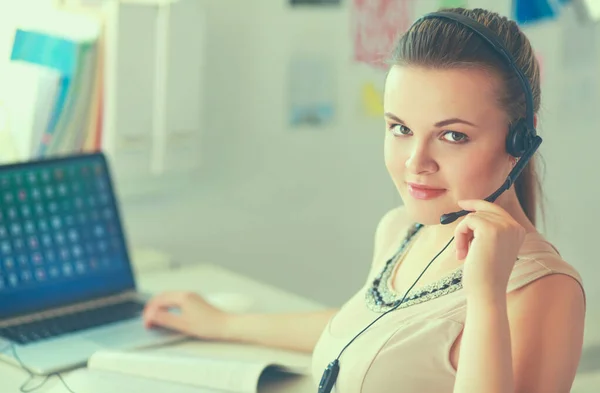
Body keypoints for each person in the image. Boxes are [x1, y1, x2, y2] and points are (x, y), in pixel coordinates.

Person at [142, 7, 586, 393]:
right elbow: (375, 331)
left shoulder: (545, 290)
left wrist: (486, 294)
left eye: (453, 135)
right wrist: (223, 324)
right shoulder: (404, 229)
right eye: (400, 128)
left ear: (520, 136)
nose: (416, 162)